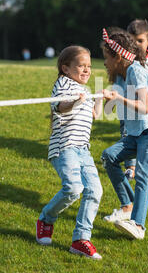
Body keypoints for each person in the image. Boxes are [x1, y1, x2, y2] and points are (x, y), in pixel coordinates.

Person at [101, 28, 148, 239]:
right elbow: (107, 110)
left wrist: (118, 98)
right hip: (138, 133)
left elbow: (144, 107)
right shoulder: (120, 77)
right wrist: (96, 98)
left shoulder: (136, 70)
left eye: (107, 58)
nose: (105, 63)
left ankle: (138, 226)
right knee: (109, 157)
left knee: (142, 172)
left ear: (117, 56)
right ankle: (128, 207)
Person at [36, 45, 103, 260]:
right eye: (81, 66)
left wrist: (102, 97)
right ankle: (46, 219)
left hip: (83, 150)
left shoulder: (85, 89)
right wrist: (75, 101)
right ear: (65, 68)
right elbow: (61, 107)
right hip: (64, 148)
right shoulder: (63, 84)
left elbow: (94, 115)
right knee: (74, 189)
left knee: (95, 191)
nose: (86, 70)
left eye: (89, 66)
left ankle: (80, 239)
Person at [125, 19, 148, 179]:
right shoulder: (126, 57)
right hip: (129, 102)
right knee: (129, 132)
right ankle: (130, 166)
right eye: (132, 41)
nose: (136, 44)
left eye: (140, 41)